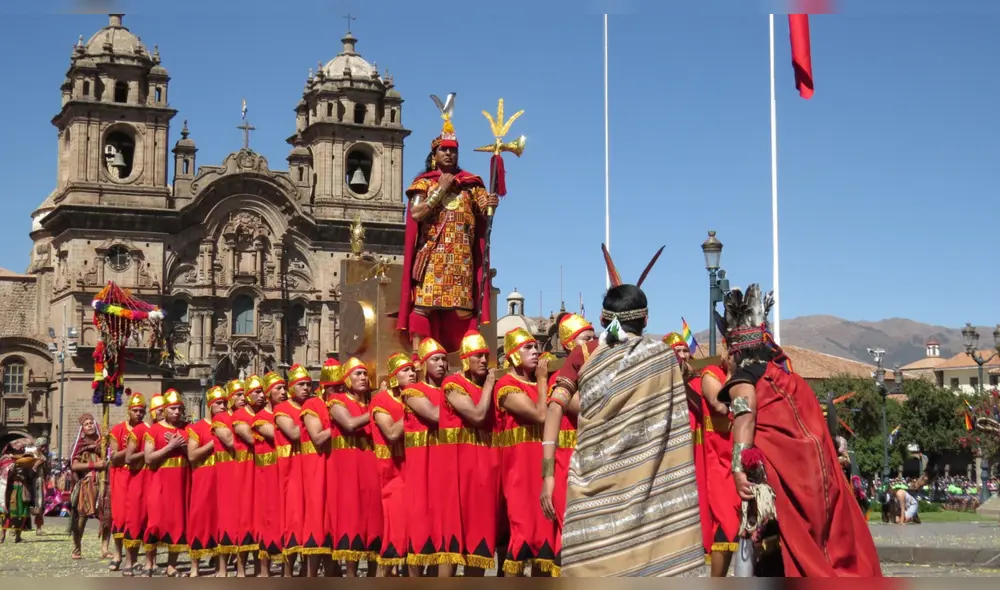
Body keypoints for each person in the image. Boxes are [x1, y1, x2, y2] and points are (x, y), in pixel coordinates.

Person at [558, 245, 706, 577]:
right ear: (646, 318)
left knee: (596, 556)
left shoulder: (589, 360)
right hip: (652, 483)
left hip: (596, 484)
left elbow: (563, 402)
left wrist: (546, 468)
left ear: (602, 320)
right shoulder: (662, 357)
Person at [716, 283, 882, 576]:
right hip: (818, 476)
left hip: (785, 478)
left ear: (735, 351)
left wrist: (740, 468)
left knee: (757, 535)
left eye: (727, 349)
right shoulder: (791, 380)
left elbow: (745, 418)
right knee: (823, 544)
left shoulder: (744, 381)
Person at [396, 96, 499, 353]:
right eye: (444, 150)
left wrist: (492, 203)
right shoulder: (423, 183)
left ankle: (465, 356)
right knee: (422, 307)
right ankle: (421, 356)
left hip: (461, 258)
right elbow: (417, 213)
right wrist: (439, 191)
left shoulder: (470, 183)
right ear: (434, 155)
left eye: (453, 150)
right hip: (432, 257)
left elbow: (484, 212)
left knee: (463, 310)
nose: (450, 154)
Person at [495, 327, 558, 576]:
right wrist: (543, 380)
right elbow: (541, 415)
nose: (536, 351)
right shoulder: (506, 386)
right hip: (519, 472)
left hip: (542, 468)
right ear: (512, 355)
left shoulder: (534, 383)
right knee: (522, 538)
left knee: (545, 540)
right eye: (528, 348)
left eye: (536, 346)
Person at [441, 330, 500, 575]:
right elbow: (476, 415)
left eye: (486, 356)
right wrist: (488, 386)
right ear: (466, 359)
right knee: (453, 542)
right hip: (458, 471)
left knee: (480, 540)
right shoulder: (453, 384)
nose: (484, 361)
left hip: (483, 470)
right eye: (478, 356)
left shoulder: (485, 387)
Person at [540, 313, 594, 568]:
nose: (592, 344)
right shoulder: (559, 379)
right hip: (567, 465)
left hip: (591, 464)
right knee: (573, 535)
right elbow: (588, 407)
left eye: (594, 338)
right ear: (568, 345)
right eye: (585, 339)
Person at [401, 337, 448, 575]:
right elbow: (435, 415)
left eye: (444, 360)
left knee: (442, 530)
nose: (442, 364)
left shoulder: (450, 390)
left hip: (445, 463)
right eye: (436, 360)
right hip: (421, 465)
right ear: (424, 364)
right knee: (419, 529)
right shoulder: (412, 392)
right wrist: (462, 403)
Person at [328, 357, 378, 576]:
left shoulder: (369, 404)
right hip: (348, 467)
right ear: (347, 379)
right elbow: (348, 424)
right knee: (352, 519)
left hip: (370, 465)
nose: (363, 378)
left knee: (374, 518)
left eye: (365, 374)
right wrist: (377, 410)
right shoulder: (337, 401)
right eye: (358, 374)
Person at [370, 353, 411, 575]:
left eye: (413, 369)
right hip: (392, 474)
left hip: (413, 470)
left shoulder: (413, 396)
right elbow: (392, 433)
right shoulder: (381, 401)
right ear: (395, 376)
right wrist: (414, 407)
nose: (412, 373)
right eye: (406, 370)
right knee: (393, 537)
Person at [143, 389, 190, 577]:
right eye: (173, 409)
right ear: (165, 410)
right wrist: (171, 447)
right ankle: (149, 563)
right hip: (160, 482)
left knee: (178, 523)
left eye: (179, 408)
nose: (177, 412)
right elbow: (148, 458)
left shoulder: (188, 429)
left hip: (181, 482)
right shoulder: (154, 430)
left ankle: (172, 565)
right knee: (155, 522)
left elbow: (193, 457)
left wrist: (183, 446)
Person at [272, 364, 308, 575]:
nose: (306, 388)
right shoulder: (281, 410)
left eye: (308, 385)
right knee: (293, 519)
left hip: (309, 468)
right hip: (291, 470)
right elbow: (295, 434)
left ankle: (306, 568)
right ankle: (287, 571)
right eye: (301, 385)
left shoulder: (313, 405)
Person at [297, 364, 332, 576]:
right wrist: (339, 423)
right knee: (316, 519)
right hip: (315, 466)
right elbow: (317, 437)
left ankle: (330, 572)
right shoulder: (312, 405)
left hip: (334, 467)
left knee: (330, 521)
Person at [187, 386, 225, 576]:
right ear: (210, 406)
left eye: (225, 403)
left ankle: (220, 565)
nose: (223, 407)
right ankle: (195, 566)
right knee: (199, 520)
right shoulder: (198, 428)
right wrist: (213, 442)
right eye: (219, 403)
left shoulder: (227, 426)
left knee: (220, 521)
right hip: (203, 479)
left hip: (222, 480)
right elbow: (192, 456)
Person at [122, 393, 159, 577]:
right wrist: (145, 453)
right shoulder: (138, 431)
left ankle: (150, 562)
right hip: (138, 479)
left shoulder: (163, 430)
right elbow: (128, 458)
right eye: (159, 411)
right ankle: (129, 561)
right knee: (135, 520)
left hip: (155, 480)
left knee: (152, 522)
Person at [254, 372, 287, 575]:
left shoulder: (285, 413)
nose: (284, 392)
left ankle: (286, 569)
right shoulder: (260, 419)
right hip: (268, 473)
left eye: (284, 388)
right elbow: (281, 436)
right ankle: (265, 571)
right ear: (268, 393)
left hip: (287, 471)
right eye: (279, 389)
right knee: (268, 519)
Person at [108, 394, 146, 571]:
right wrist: (132, 446)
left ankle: (134, 557)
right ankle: (117, 554)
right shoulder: (117, 430)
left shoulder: (147, 429)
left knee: (136, 517)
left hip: (139, 475)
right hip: (121, 475)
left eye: (141, 411)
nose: (138, 414)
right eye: (135, 411)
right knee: (120, 516)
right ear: (129, 411)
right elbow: (114, 457)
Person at [69, 413, 111, 560]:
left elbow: (111, 456)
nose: (90, 425)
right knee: (81, 517)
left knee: (106, 516)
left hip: (104, 482)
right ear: (83, 428)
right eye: (86, 424)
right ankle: (77, 548)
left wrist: (108, 438)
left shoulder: (104, 442)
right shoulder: (80, 445)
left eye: (91, 423)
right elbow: (74, 465)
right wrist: (94, 465)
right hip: (87, 484)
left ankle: (105, 548)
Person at [230, 376, 260, 575]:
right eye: (256, 392)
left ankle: (259, 567)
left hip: (262, 469)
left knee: (260, 518)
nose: (261, 396)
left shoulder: (264, 414)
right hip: (245, 470)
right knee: (244, 518)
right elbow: (253, 440)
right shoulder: (240, 416)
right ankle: (241, 569)